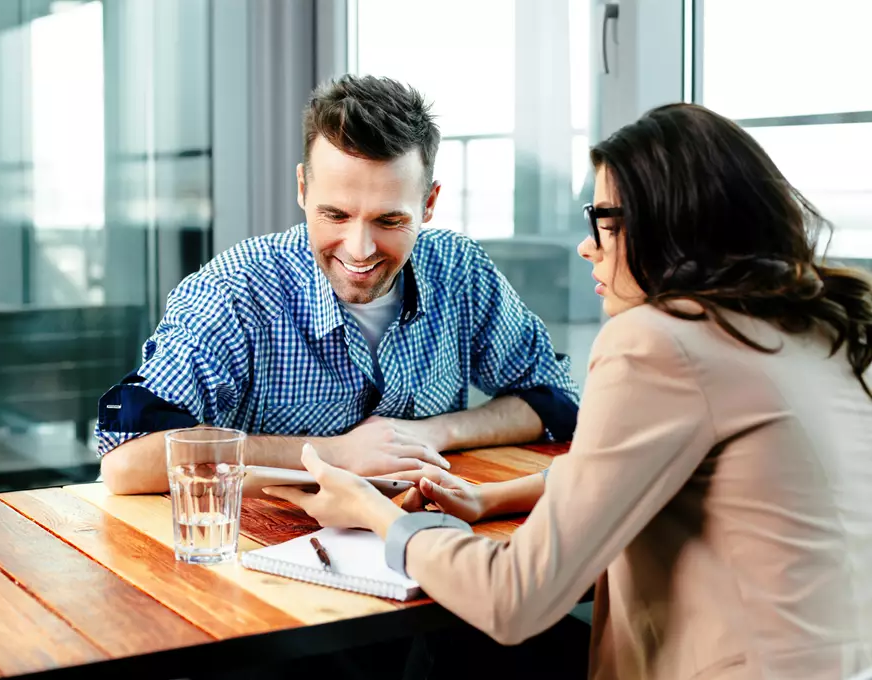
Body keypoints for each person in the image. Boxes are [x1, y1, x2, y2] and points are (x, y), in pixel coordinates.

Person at [266, 103, 872, 679]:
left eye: (604, 221)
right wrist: (487, 499)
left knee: (463, 647)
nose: (587, 245)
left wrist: (370, 513)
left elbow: (515, 600)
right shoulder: (818, 327)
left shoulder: (659, 341)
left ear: (674, 226)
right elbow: (626, 469)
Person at [96, 74, 579, 495]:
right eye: (336, 215)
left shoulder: (459, 268)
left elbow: (554, 399)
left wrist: (432, 433)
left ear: (429, 204)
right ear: (303, 189)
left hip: (429, 551)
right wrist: (335, 453)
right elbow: (129, 460)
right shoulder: (234, 290)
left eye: (390, 220)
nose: (360, 249)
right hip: (261, 567)